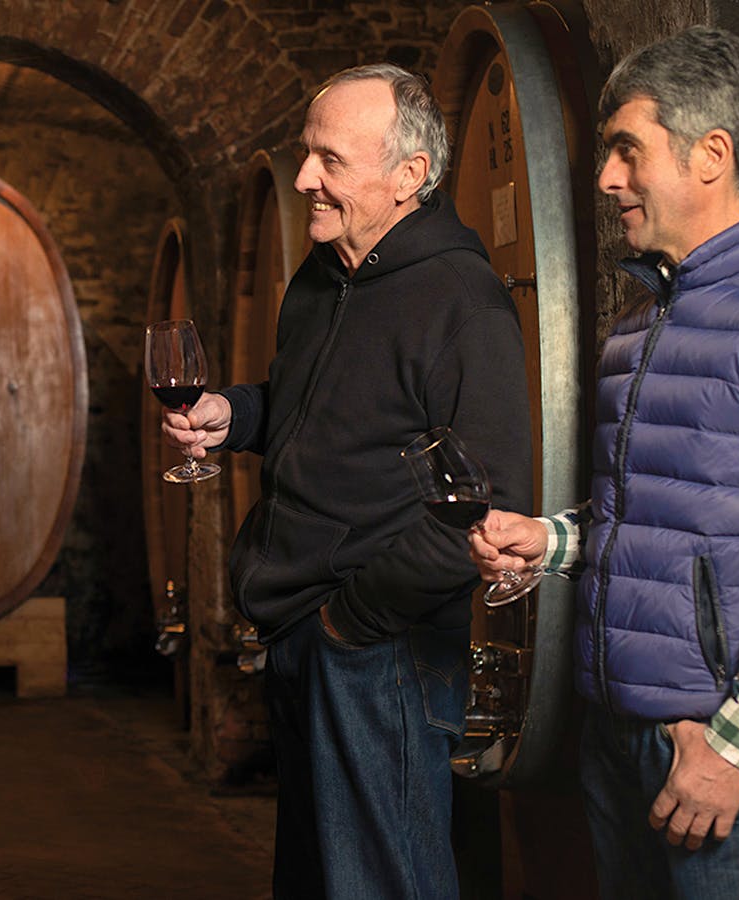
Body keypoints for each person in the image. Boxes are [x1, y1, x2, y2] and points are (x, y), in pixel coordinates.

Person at [164, 63, 531, 897]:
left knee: (382, 881)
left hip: (378, 648)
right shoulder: (325, 277)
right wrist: (238, 414)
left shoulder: (460, 301)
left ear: (409, 176)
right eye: (306, 154)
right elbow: (315, 408)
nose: (304, 179)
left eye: (329, 159)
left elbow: (489, 496)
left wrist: (352, 622)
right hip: (305, 632)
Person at [469, 26, 739, 899]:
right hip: (621, 735)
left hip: (734, 756)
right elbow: (654, 517)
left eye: (628, 150)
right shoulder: (639, 321)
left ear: (712, 154)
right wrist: (550, 542)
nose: (606, 179)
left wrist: (734, 747)